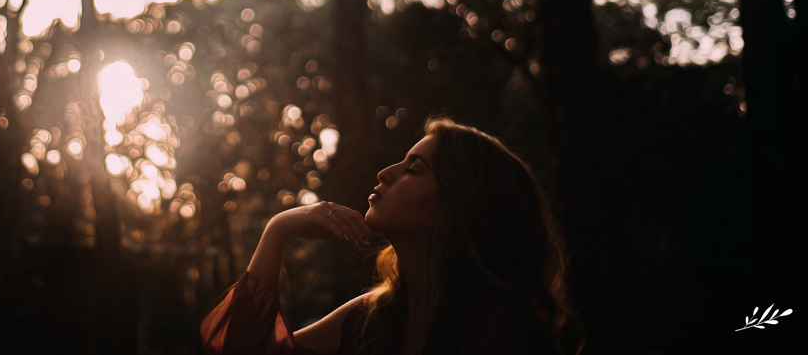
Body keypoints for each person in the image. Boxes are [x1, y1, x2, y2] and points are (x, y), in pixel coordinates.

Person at [199, 116, 584, 354]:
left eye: (414, 169)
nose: (385, 172)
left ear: (461, 204)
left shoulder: (498, 327)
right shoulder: (373, 317)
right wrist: (278, 229)